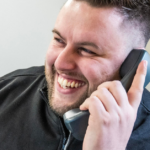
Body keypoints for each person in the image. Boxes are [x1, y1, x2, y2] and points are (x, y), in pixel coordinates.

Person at [0, 0, 150, 149]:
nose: (60, 64)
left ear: (133, 64)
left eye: (87, 50)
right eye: (59, 40)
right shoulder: (6, 92)